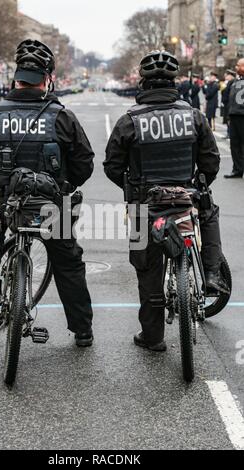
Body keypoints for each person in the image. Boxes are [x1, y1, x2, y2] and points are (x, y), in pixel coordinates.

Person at [0, 39, 95, 347]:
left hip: (8, 199)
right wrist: (66, 185)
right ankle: (82, 330)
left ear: (15, 78)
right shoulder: (61, 116)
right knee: (68, 263)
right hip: (52, 205)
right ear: (48, 80)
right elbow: (85, 163)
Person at [104, 50, 228, 352]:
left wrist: (132, 188)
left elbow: (112, 167)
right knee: (209, 211)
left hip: (145, 205)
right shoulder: (194, 117)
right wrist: (195, 186)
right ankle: (211, 273)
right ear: (174, 82)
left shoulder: (129, 121)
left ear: (142, 83)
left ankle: (153, 336)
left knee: (148, 271)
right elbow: (211, 162)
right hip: (186, 198)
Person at [224, 58, 244, 179]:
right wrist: (227, 115)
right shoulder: (234, 82)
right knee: (234, 144)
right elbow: (228, 98)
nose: (236, 68)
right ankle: (237, 169)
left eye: (238, 65)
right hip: (234, 115)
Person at [221, 70, 236, 139]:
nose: (225, 77)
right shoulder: (228, 82)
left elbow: (228, 93)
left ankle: (230, 133)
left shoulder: (232, 82)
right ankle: (229, 133)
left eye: (226, 75)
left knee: (229, 120)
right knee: (227, 120)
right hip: (227, 104)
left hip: (230, 104)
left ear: (230, 76)